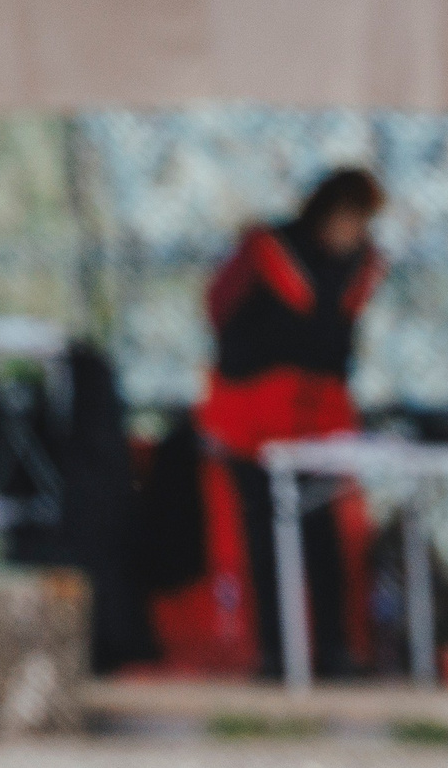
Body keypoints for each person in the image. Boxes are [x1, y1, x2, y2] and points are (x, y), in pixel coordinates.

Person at [149, 167, 387, 678]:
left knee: (324, 532)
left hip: (320, 414)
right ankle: (276, 653)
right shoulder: (269, 249)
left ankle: (334, 649)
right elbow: (219, 308)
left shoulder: (359, 267)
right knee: (264, 534)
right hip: (253, 414)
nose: (353, 230)